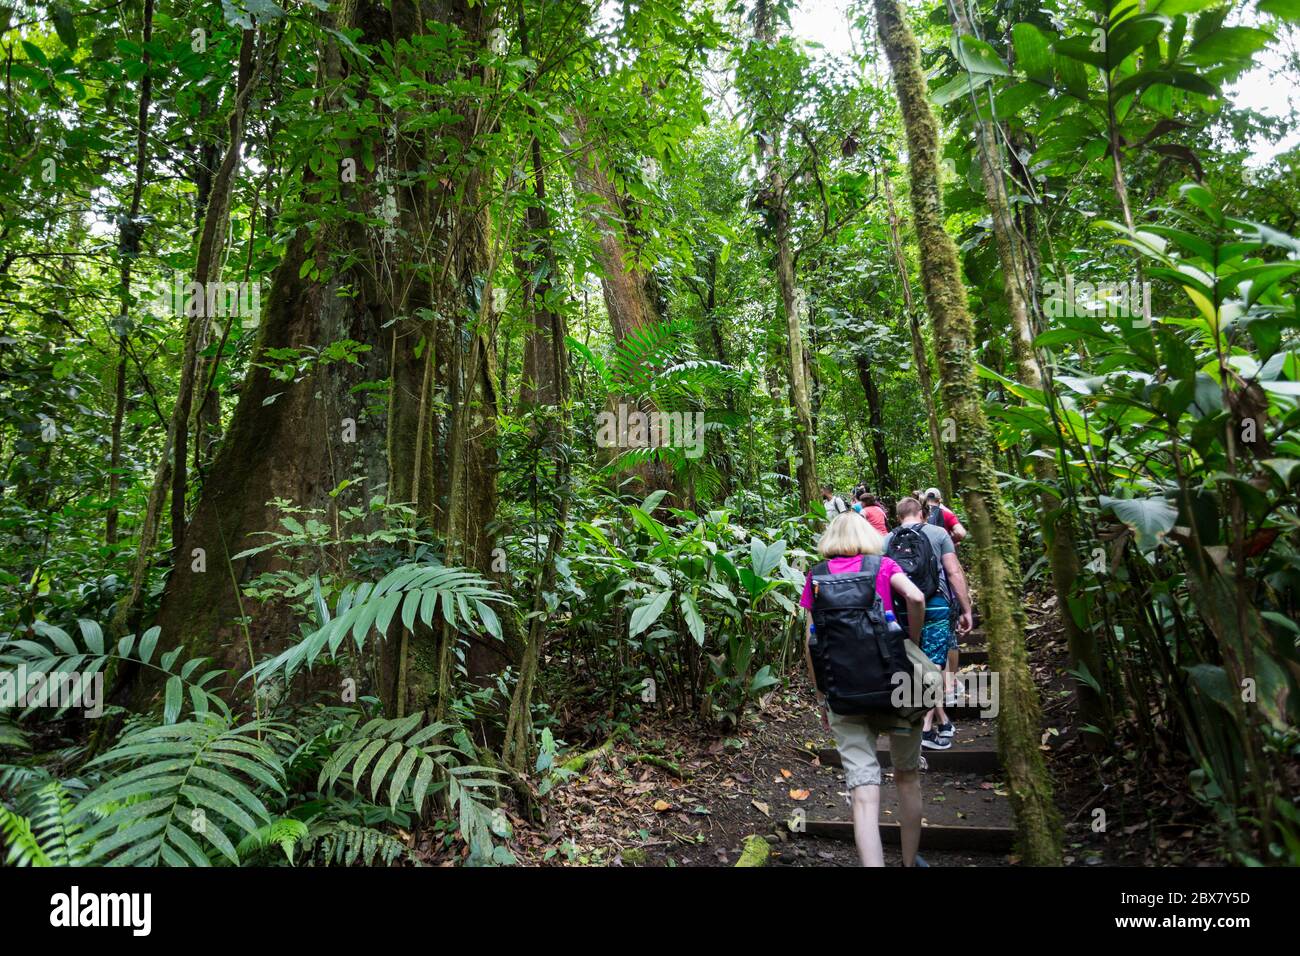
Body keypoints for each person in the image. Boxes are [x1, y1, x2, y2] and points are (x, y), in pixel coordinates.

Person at [800, 512, 928, 867]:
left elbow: (811, 641)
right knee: (907, 776)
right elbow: (916, 598)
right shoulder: (884, 565)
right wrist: (911, 645)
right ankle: (909, 860)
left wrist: (821, 695)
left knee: (863, 792)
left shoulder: (816, 576)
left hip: (844, 692)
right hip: (898, 687)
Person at [884, 497, 973, 750]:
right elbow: (954, 571)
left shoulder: (887, 540)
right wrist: (966, 608)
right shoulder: (938, 533)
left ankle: (940, 721)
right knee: (934, 662)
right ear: (922, 513)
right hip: (936, 605)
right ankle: (924, 727)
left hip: (903, 608)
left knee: (914, 661)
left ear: (898, 516)